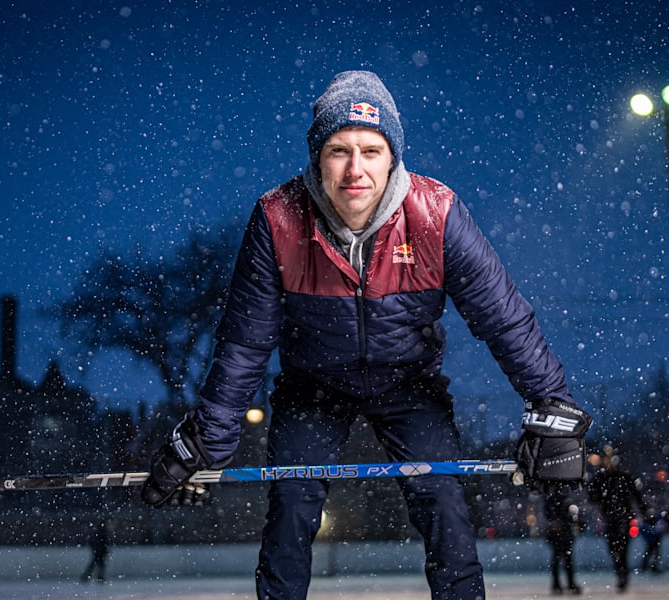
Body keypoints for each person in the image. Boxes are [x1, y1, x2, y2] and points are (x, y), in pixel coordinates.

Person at [138, 70, 592, 600]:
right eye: (339, 150)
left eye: (371, 151)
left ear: (393, 156)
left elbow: (503, 318)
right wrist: (210, 438)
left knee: (443, 505)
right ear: (317, 157)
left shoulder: (436, 214)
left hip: (409, 384)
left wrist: (552, 407)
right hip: (313, 385)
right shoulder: (277, 219)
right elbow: (246, 341)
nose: (356, 169)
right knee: (291, 507)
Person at [587, 452, 646, 593]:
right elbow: (593, 496)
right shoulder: (603, 478)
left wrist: (643, 510)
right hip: (611, 518)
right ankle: (621, 572)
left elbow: (636, 496)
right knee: (615, 549)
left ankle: (622, 573)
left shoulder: (621, 477)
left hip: (622, 517)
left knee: (620, 548)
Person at [544, 487, 583, 595]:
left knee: (560, 559)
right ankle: (565, 584)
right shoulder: (565, 501)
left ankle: (559, 584)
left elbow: (549, 515)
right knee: (565, 559)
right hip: (563, 534)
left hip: (561, 534)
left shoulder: (552, 500)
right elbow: (573, 517)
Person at [81, 518, 115, 583]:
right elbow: (103, 543)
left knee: (94, 565)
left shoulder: (99, 534)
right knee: (99, 566)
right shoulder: (102, 534)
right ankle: (98, 578)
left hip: (98, 552)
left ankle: (88, 577)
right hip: (99, 552)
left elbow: (97, 543)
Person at [638, 509, 667, 574]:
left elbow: (660, 530)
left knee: (655, 554)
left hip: (655, 540)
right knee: (649, 554)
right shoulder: (646, 523)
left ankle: (653, 567)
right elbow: (644, 531)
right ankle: (645, 567)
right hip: (651, 541)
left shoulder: (657, 521)